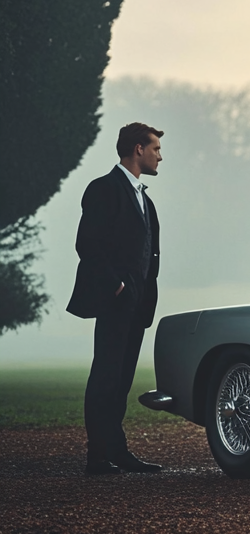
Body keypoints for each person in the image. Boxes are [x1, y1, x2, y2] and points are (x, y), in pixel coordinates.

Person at [67, 123, 165, 474]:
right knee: (106, 377)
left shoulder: (145, 199)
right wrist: (117, 286)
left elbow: (148, 253)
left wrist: (142, 293)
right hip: (114, 300)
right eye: (155, 149)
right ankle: (97, 457)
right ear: (138, 149)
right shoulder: (104, 189)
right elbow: (87, 245)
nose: (160, 156)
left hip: (137, 304)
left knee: (121, 380)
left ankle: (116, 450)